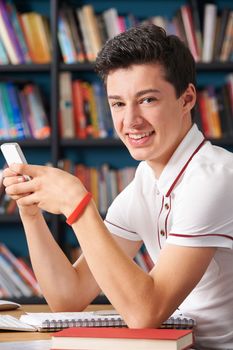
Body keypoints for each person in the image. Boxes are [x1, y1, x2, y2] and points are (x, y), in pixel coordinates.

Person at [2, 24, 233, 349]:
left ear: (187, 99)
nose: (131, 121)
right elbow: (69, 297)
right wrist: (30, 213)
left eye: (147, 99)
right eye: (118, 104)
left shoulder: (214, 178)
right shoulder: (146, 180)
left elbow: (146, 312)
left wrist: (76, 205)